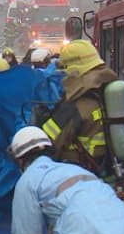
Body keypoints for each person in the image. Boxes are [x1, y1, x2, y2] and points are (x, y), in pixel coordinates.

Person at [38, 40, 116, 175]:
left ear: (74, 72)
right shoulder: (109, 93)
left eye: (65, 72)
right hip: (110, 172)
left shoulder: (74, 107)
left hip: (78, 177)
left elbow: (46, 144)